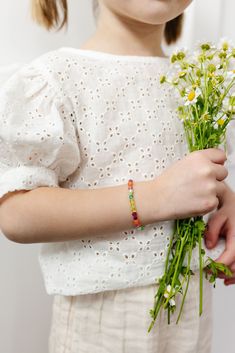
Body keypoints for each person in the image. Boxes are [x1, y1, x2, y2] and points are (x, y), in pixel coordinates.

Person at [0, 0, 235, 352]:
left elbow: (185, 172)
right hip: (100, 326)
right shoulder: (56, 79)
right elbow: (17, 212)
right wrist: (155, 197)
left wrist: (221, 199)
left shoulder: (198, 83)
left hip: (188, 323)